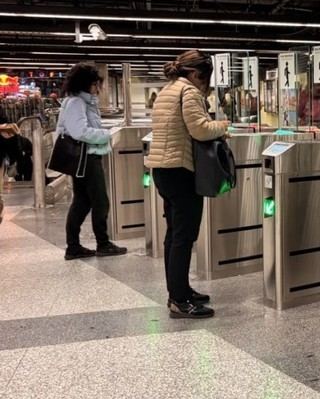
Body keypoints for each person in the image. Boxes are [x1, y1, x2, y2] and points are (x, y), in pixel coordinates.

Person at [146, 50, 228, 319]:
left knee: (175, 234)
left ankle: (179, 290)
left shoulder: (167, 89)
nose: (204, 84)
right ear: (194, 74)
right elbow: (200, 130)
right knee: (184, 236)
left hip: (163, 170)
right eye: (203, 78)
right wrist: (222, 126)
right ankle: (179, 301)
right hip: (181, 171)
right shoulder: (188, 91)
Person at [56, 63, 127, 260]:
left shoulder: (80, 102)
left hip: (84, 158)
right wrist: (106, 135)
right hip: (86, 158)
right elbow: (79, 131)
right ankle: (102, 244)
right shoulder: (77, 102)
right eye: (96, 84)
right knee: (100, 201)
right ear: (86, 83)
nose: (98, 88)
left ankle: (74, 246)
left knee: (82, 201)